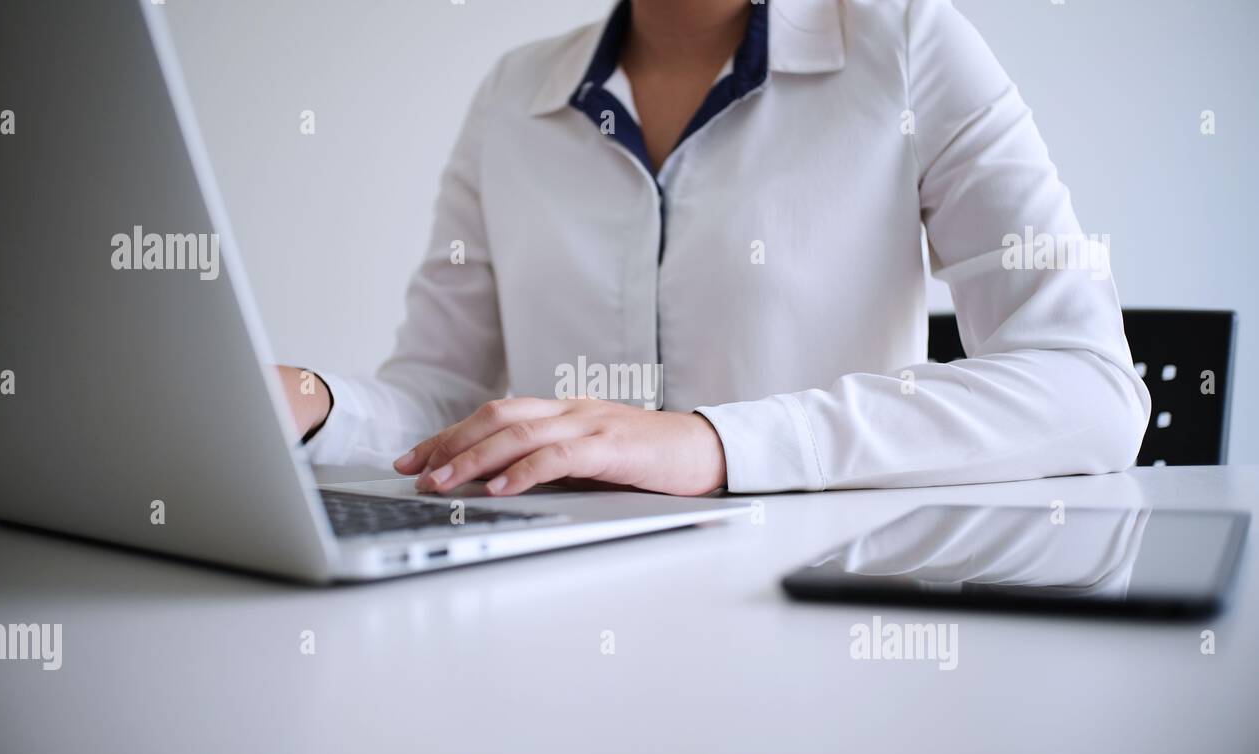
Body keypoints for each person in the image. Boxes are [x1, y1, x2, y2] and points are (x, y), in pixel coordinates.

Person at [277, 0, 1150, 497]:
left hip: (818, 623)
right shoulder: (513, 94)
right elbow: (445, 402)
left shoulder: (909, 44)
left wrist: (716, 444)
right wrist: (314, 404)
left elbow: (1090, 385)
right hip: (552, 616)